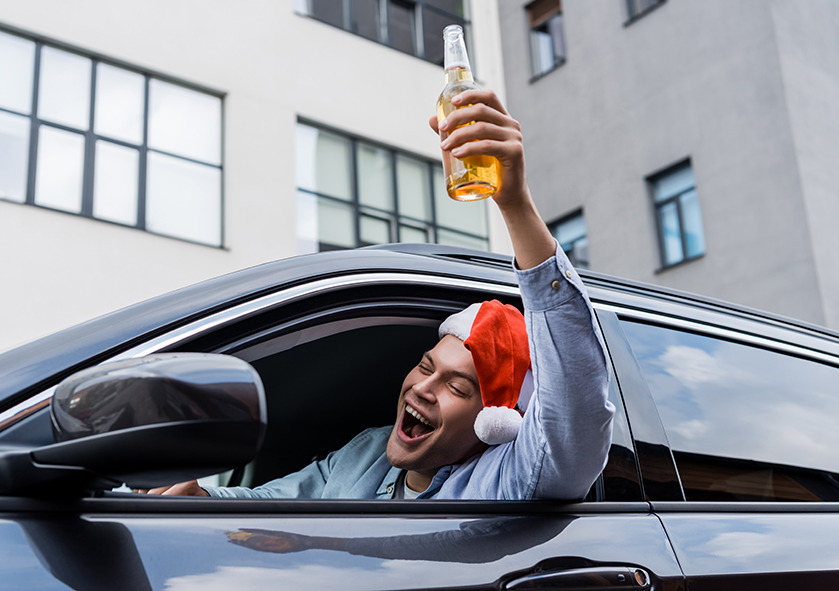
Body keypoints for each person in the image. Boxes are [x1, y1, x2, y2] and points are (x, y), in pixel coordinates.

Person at [142, 89, 615, 501]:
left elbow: (576, 401)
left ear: (492, 422)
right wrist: (203, 497)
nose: (423, 387)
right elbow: (277, 504)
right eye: (428, 366)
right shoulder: (367, 453)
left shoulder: (509, 477)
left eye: (457, 387)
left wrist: (514, 204)